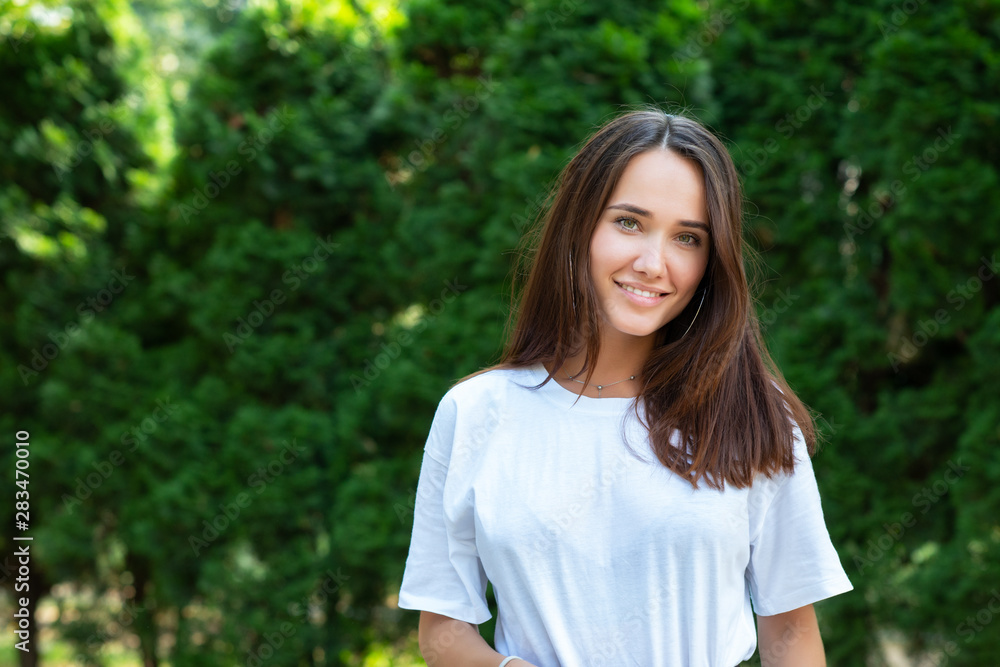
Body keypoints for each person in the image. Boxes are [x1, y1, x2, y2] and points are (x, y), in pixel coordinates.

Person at [397, 108, 853, 666]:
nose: (652, 263)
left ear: (713, 260)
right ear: (579, 224)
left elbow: (791, 634)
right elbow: (441, 629)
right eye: (629, 223)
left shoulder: (754, 413)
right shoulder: (475, 413)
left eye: (688, 238)